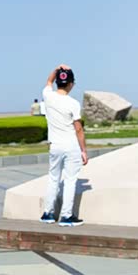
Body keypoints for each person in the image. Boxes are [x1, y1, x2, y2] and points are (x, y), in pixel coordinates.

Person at [41, 64, 88, 226]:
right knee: (70, 181)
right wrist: (83, 150)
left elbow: (48, 81)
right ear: (71, 84)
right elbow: (78, 129)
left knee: (53, 179)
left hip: (54, 145)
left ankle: (48, 213)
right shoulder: (73, 103)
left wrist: (57, 69)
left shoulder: (48, 96)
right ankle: (66, 216)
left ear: (58, 82)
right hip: (71, 146)